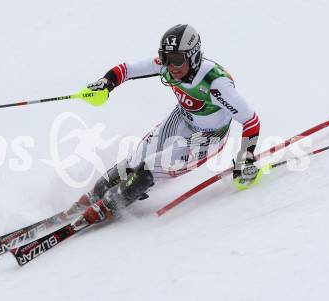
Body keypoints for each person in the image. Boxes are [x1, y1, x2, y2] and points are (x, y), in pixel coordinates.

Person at [70, 24, 261, 229]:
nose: (170, 66)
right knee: (135, 159)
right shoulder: (168, 64)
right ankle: (93, 195)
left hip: (208, 137)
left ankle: (107, 205)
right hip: (181, 118)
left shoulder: (216, 82)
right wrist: (107, 82)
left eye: (177, 60)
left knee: (150, 168)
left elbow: (251, 120)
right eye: (165, 58)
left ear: (194, 56)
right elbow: (127, 69)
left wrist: (245, 157)